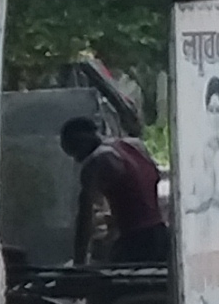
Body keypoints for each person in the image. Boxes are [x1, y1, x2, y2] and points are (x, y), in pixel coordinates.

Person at [67, 114, 172, 266]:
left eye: (74, 150)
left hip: (135, 242)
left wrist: (78, 264)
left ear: (81, 139)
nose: (77, 160)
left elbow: (84, 218)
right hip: (161, 235)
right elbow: (136, 191)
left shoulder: (97, 161)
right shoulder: (135, 146)